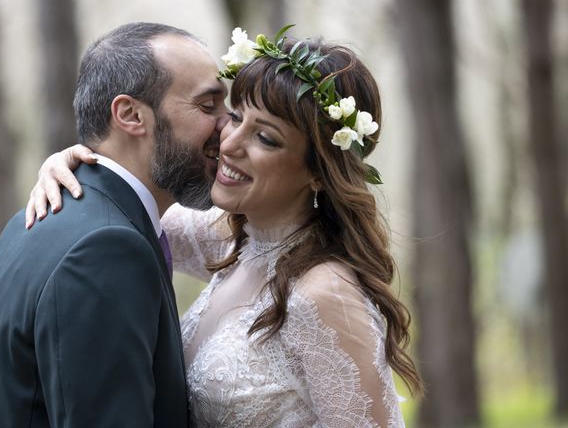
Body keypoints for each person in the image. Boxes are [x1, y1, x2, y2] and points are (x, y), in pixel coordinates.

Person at [26, 27, 423, 427]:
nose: (230, 142)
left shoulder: (324, 295)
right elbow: (128, 205)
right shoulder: (230, 240)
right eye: (236, 116)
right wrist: (73, 161)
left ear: (319, 173)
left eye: (265, 137)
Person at [0, 22, 229, 427]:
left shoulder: (32, 221)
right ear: (130, 115)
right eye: (208, 107)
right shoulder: (107, 249)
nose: (228, 126)